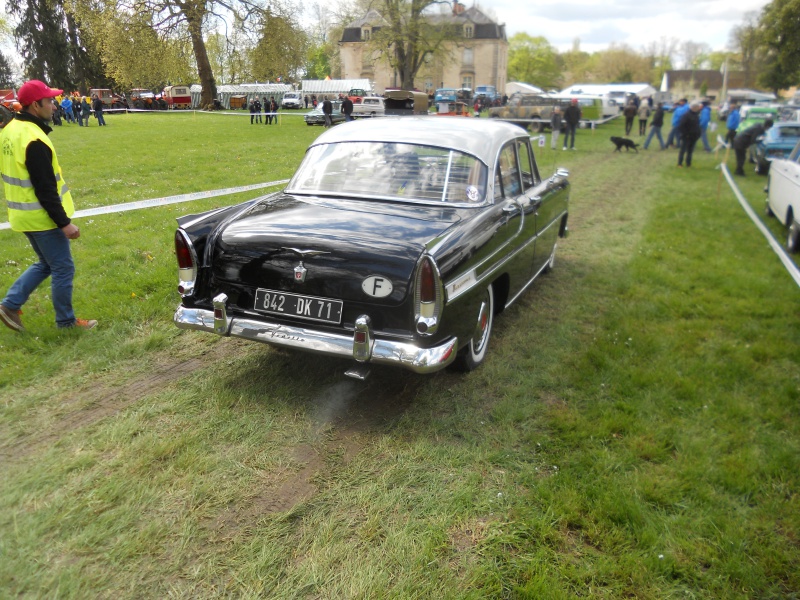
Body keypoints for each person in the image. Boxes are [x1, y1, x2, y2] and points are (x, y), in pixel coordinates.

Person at [0, 80, 97, 331]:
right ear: (35, 105)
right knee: (63, 267)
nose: (54, 106)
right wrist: (64, 223)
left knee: (46, 264)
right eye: (50, 101)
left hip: (22, 215)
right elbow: (46, 189)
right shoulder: (33, 138)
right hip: (42, 218)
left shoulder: (10, 130)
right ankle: (66, 322)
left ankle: (10, 305)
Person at [677, 101, 702, 167]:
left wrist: (698, 134)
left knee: (690, 151)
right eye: (697, 107)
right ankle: (680, 163)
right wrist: (685, 134)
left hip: (694, 136)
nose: (698, 108)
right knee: (683, 150)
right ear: (692, 107)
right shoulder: (686, 115)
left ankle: (688, 163)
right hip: (686, 136)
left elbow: (697, 125)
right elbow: (681, 126)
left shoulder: (696, 115)